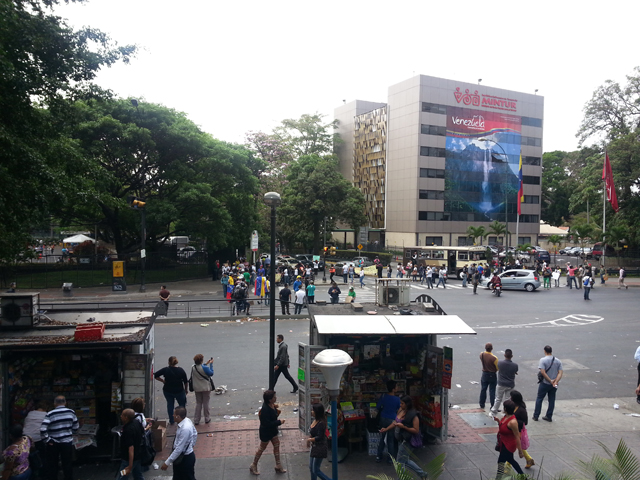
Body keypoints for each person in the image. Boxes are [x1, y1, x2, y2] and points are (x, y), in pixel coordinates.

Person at [40, 395, 78, 480]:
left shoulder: (50, 414)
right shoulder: (71, 412)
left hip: (54, 443)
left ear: (55, 403)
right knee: (67, 463)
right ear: (65, 403)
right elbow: (76, 427)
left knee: (53, 464)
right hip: (67, 442)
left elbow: (42, 429)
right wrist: (69, 433)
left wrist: (47, 440)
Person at [250, 390, 287, 475]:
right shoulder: (265, 410)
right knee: (262, 448)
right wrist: (279, 422)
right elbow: (267, 423)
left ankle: (278, 465)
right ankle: (254, 464)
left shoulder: (271, 405)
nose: (276, 398)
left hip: (273, 431)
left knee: (276, 445)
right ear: (270, 400)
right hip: (266, 433)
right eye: (274, 397)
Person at [393, 396, 427, 479]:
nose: (400, 405)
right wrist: (386, 428)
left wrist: (403, 427)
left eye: (402, 403)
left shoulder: (414, 415)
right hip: (400, 439)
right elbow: (395, 421)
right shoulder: (401, 410)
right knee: (405, 460)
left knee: (400, 462)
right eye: (400, 403)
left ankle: (402, 478)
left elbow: (416, 430)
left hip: (408, 441)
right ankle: (422, 474)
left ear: (407, 404)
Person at [160, 406, 197, 480]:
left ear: (178, 416)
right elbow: (195, 434)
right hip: (184, 457)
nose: (172, 415)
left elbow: (179, 449)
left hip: (184, 459)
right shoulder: (187, 421)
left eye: (174, 414)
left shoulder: (185, 429)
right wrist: (190, 445)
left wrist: (167, 462)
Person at [494, 400, 525, 478]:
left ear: (506, 409)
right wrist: (498, 421)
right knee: (511, 460)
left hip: (508, 445)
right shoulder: (504, 417)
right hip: (503, 443)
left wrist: (520, 451)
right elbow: (503, 428)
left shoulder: (513, 422)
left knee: (501, 462)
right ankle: (523, 476)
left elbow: (517, 436)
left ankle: (498, 478)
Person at [154, 356, 188, 425]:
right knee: (182, 405)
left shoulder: (166, 370)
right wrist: (186, 390)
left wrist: (163, 381)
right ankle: (182, 419)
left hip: (168, 390)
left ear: (169, 362)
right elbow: (185, 381)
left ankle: (172, 420)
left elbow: (156, 375)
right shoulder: (181, 370)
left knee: (170, 405)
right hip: (179, 390)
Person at [533, 345, 563, 422]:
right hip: (554, 385)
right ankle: (549, 416)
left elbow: (543, 372)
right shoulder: (557, 360)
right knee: (552, 400)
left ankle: (536, 416)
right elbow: (560, 372)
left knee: (539, 398)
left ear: (545, 351)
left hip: (545, 383)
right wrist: (555, 381)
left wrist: (550, 380)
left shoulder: (543, 360)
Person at [375, 380, 400, 464]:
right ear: (393, 389)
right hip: (392, 420)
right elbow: (399, 410)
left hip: (383, 418)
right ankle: (390, 459)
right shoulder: (397, 399)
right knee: (390, 439)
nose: (397, 388)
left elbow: (378, 407)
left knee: (382, 438)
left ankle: (379, 456)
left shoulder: (383, 397)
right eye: (396, 386)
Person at [509, 390, 535, 469]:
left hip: (518, 431)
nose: (510, 398)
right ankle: (529, 459)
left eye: (511, 397)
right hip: (512, 430)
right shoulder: (513, 406)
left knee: (511, 447)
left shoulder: (521, 410)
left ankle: (507, 466)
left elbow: (525, 422)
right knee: (516, 446)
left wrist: (515, 421)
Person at [490, 349, 518, 416]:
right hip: (510, 384)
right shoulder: (515, 365)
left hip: (501, 383)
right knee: (507, 399)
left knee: (498, 398)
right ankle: (506, 412)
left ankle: (493, 411)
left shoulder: (500, 363)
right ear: (512, 356)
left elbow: (498, 369)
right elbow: (515, 371)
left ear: (504, 355)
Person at [118, 409, 143, 480]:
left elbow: (131, 448)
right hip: (137, 455)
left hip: (128, 459)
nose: (121, 416)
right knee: (138, 475)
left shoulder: (128, 430)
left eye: (122, 415)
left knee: (121, 477)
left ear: (126, 417)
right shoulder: (137, 422)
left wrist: (130, 466)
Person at [23, 402, 47, 480]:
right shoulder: (46, 415)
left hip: (26, 438)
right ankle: (42, 473)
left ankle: (30, 473)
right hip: (38, 438)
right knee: (42, 456)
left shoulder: (30, 413)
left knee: (28, 457)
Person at [306, 403, 329, 480]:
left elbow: (320, 437)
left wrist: (309, 440)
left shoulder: (321, 423)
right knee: (311, 467)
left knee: (316, 469)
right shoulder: (315, 420)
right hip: (314, 447)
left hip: (320, 447)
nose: (312, 412)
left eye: (313, 410)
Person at [191, 354, 214, 425]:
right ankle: (207, 418)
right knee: (206, 403)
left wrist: (206, 363)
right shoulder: (205, 368)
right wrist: (211, 364)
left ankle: (196, 419)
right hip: (205, 387)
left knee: (198, 403)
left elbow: (200, 367)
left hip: (197, 387)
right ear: (201, 360)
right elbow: (211, 373)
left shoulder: (193, 367)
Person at [479, 343, 498, 410]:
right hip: (492, 374)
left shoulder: (482, 354)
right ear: (492, 349)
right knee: (492, 390)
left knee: (483, 389)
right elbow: (497, 368)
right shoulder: (494, 358)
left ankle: (482, 404)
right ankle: (492, 405)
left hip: (484, 373)